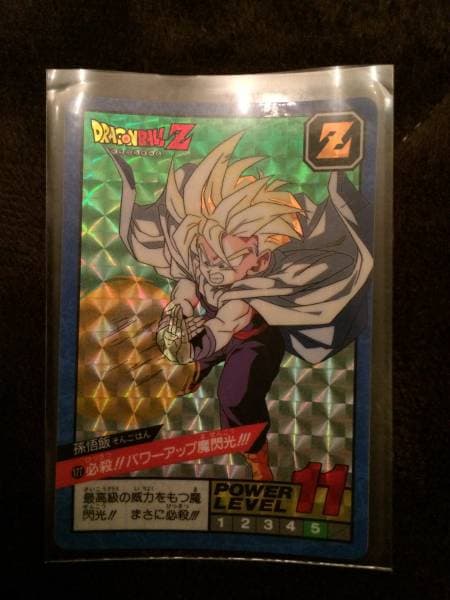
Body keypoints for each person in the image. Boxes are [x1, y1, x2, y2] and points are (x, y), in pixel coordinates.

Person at [108, 132, 373, 480]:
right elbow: (187, 285)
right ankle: (195, 370)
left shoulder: (245, 296)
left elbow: (221, 329)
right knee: (183, 362)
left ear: (259, 261)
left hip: (253, 342)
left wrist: (188, 347)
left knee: (234, 398)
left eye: (223, 263)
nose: (210, 269)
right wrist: (178, 312)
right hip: (211, 329)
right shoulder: (199, 260)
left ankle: (257, 459)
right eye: (205, 257)